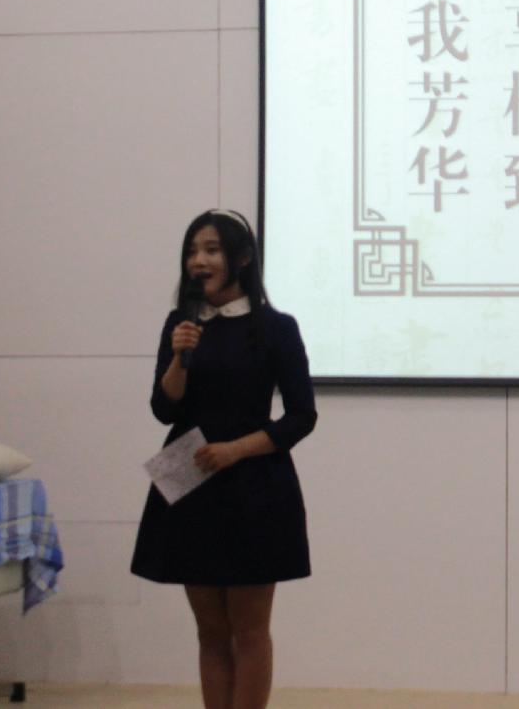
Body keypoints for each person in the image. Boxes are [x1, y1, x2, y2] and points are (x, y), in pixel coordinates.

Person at [131, 210, 318, 709]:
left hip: (256, 485)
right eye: (193, 251)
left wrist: (236, 450)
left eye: (212, 250)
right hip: (189, 478)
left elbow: (302, 416)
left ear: (243, 258)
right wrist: (179, 357)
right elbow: (163, 409)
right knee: (210, 631)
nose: (199, 260)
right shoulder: (181, 325)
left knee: (249, 631)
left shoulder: (276, 327)